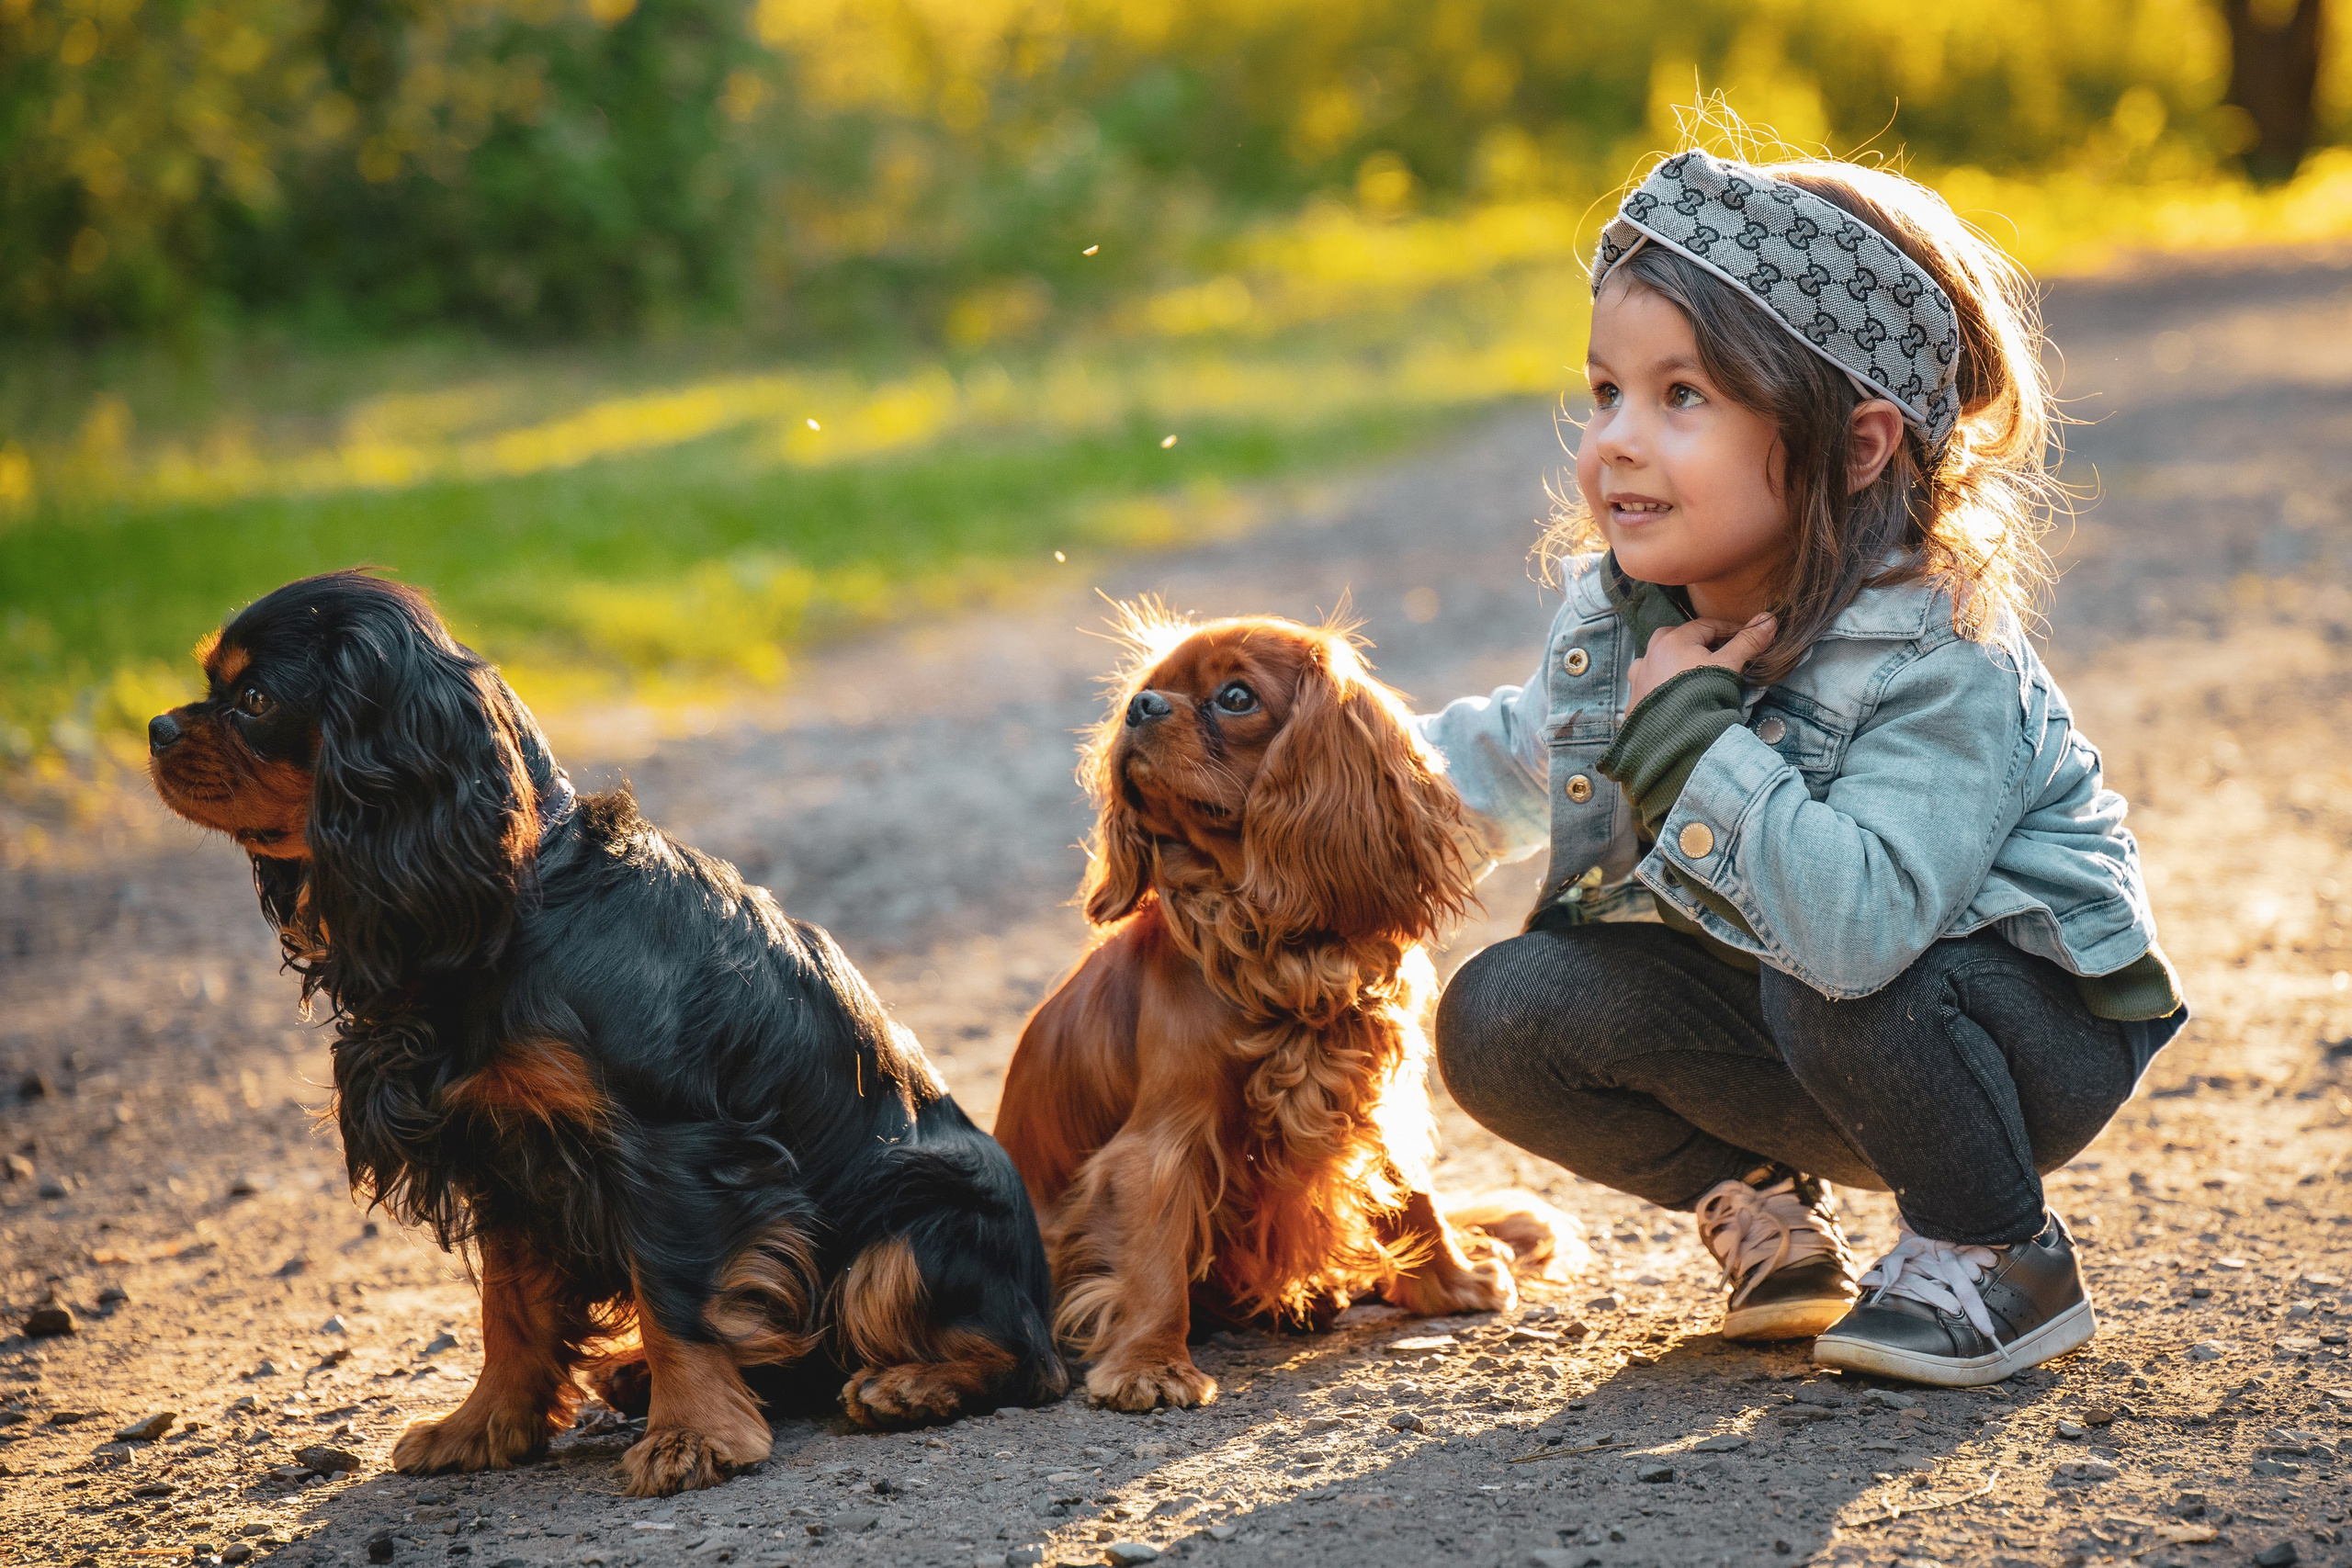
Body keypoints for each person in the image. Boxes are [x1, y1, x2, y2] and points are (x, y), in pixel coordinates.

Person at [1417, 148, 2185, 1388]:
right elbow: (1516, 753)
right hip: (1809, 1021)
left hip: (2015, 1031)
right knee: (1506, 1013)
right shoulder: (1632, 619)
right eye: (1605, 390)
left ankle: (2000, 1249)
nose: (1616, 440)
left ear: (1857, 445)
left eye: (1683, 399)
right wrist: (1316, 788)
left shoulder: (1941, 652)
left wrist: (1693, 745)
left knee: (1829, 961)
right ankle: (1774, 1213)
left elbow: (1859, 926)